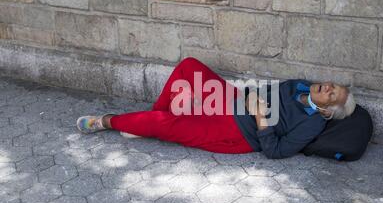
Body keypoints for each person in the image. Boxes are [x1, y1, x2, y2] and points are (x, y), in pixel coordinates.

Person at [77, 57, 356, 159]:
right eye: (333, 85)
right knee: (189, 66)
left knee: (166, 125)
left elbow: (275, 151)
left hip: (237, 133)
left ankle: (108, 121)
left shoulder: (312, 123)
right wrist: (250, 97)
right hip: (234, 100)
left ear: (327, 111)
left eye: (333, 95)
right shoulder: (301, 85)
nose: (328, 87)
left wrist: (261, 118)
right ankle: (146, 122)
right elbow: (266, 93)